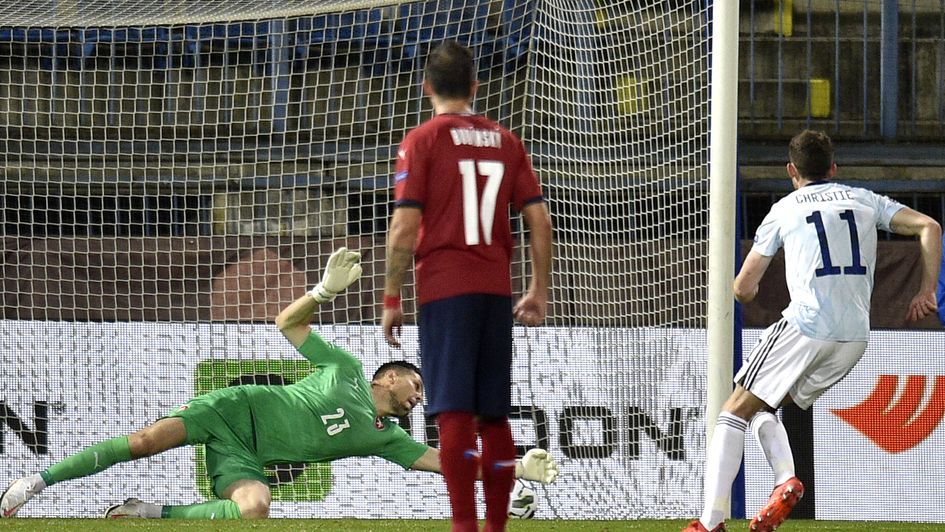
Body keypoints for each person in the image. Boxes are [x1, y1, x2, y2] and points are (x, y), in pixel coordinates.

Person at [1, 248, 559, 520]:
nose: (420, 398)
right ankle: (37, 482)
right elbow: (287, 323)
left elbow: (449, 465)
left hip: (248, 456)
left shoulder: (386, 437)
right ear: (388, 377)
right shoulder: (341, 367)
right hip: (231, 409)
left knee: (255, 509)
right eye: (415, 386)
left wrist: (509, 471)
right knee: (146, 441)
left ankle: (149, 513)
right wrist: (322, 291)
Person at [683, 130, 942, 532]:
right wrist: (926, 290)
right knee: (763, 407)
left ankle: (709, 523)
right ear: (834, 169)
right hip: (854, 337)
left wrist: (748, 295)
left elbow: (743, 286)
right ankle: (785, 480)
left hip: (806, 324)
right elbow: (929, 226)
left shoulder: (785, 209)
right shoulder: (863, 199)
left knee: (732, 411)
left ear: (791, 170)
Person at [381, 40, 553, 532]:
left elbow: (403, 228)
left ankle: (463, 527)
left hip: (444, 289)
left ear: (427, 87)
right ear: (476, 86)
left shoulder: (423, 140)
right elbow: (538, 218)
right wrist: (538, 289)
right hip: (496, 290)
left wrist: (392, 297)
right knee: (493, 417)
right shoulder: (506, 140)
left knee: (453, 414)